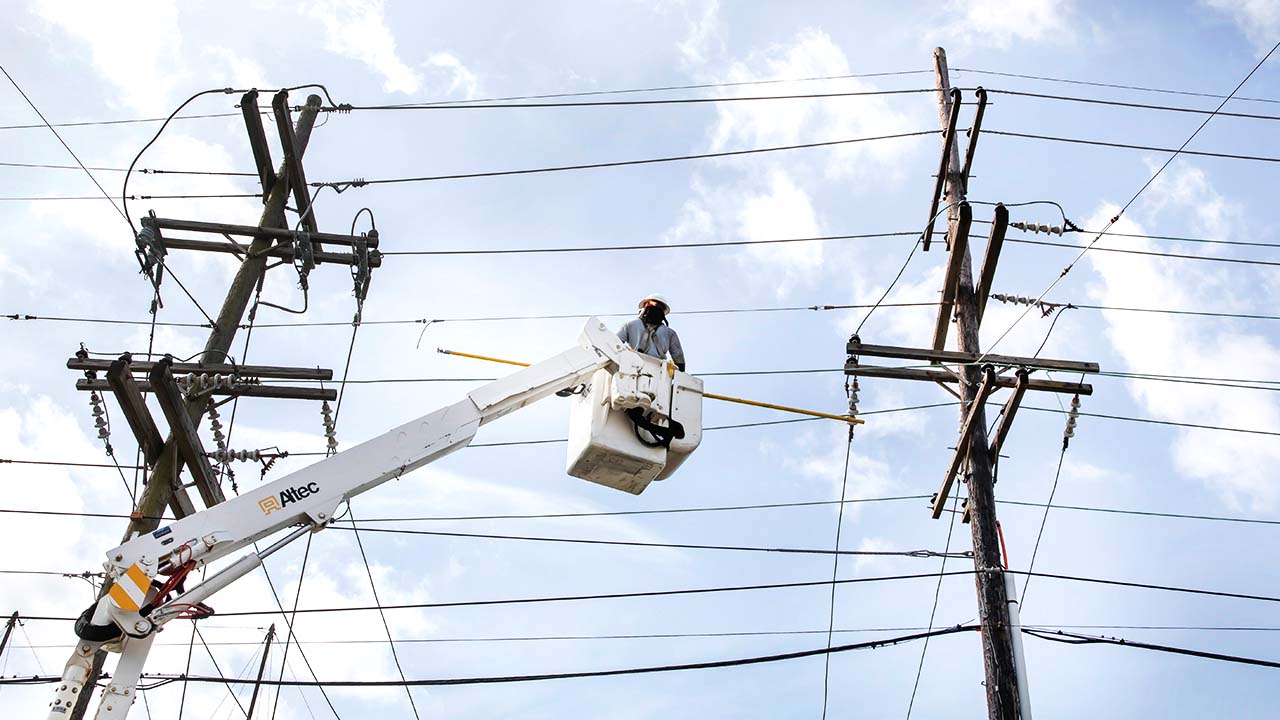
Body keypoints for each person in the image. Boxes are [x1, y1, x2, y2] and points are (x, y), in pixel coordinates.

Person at [617, 293, 686, 371]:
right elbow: (679, 359)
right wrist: (681, 375)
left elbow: (615, 344)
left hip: (634, 367)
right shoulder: (669, 333)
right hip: (657, 371)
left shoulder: (630, 325)